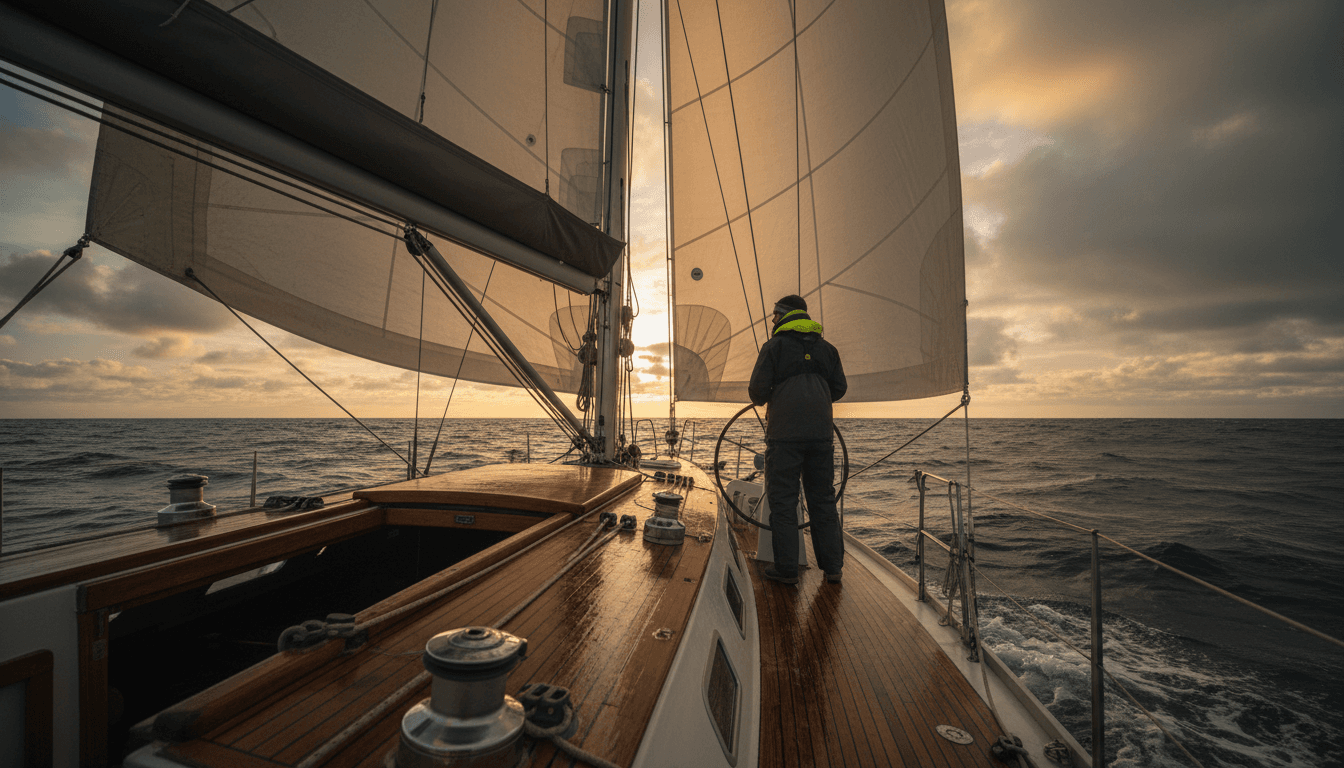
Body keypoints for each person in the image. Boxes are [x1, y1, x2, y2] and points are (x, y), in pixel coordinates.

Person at [748, 294, 847, 585]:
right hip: (821, 437)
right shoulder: (827, 349)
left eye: (774, 316)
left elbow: (756, 392)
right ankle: (833, 569)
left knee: (783, 502)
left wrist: (780, 391)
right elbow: (839, 389)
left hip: (784, 437)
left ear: (782, 315)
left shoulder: (774, 347)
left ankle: (787, 570)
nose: (772, 321)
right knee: (823, 501)